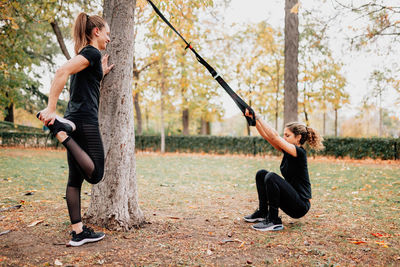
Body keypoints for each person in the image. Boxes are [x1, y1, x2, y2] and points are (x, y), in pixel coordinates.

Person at [37, 12, 114, 246]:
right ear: (96, 31)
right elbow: (62, 72)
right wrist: (51, 109)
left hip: (75, 116)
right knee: (96, 173)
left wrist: (101, 72)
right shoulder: (90, 52)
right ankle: (60, 131)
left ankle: (78, 232)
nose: (109, 39)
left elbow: (87, 83)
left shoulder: (88, 57)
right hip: (84, 119)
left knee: (74, 180)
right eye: (107, 34)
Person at [243, 109, 323, 231]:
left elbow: (275, 136)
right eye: (284, 135)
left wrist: (258, 116)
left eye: (287, 135)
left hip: (300, 205)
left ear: (298, 137)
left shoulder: (299, 153)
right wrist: (253, 119)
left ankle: (274, 220)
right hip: (291, 199)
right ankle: (263, 212)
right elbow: (267, 136)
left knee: (271, 176)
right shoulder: (288, 151)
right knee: (261, 174)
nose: (284, 138)